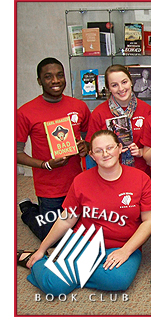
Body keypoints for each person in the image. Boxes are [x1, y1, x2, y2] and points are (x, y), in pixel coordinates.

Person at [17, 130, 151, 296]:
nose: (105, 154)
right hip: (85, 241)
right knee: (54, 286)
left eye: (110, 148)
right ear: (91, 155)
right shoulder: (81, 181)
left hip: (123, 244)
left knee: (118, 280)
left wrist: (126, 251)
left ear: (120, 148)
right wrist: (42, 249)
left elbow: (150, 221)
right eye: (98, 150)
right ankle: (37, 261)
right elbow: (66, 220)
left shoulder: (140, 179)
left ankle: (69, 272)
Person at [17, 57, 90, 241]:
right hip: (49, 187)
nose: (55, 81)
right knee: (53, 238)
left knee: (83, 233)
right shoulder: (26, 112)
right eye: (48, 77)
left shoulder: (79, 106)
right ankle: (28, 210)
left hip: (78, 183)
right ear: (39, 81)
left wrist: (85, 146)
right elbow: (16, 153)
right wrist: (45, 165)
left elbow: (90, 137)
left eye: (60, 75)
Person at [85, 64, 151, 173]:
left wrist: (141, 151)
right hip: (109, 175)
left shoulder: (147, 110)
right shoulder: (99, 113)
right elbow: (92, 150)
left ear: (131, 82)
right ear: (108, 88)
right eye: (114, 85)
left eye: (124, 82)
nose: (121, 89)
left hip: (141, 173)